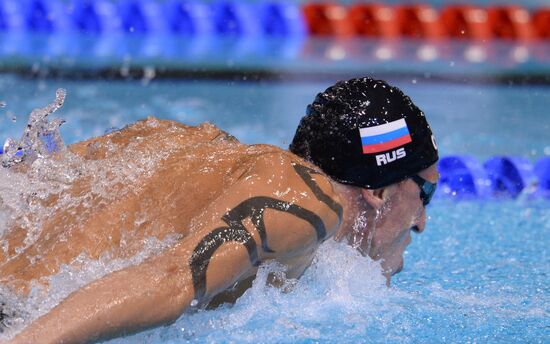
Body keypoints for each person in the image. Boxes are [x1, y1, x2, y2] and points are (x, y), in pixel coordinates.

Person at [1, 77, 439, 344]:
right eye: (425, 193)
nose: (422, 221)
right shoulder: (307, 203)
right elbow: (170, 280)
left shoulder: (192, 147)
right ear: (380, 190)